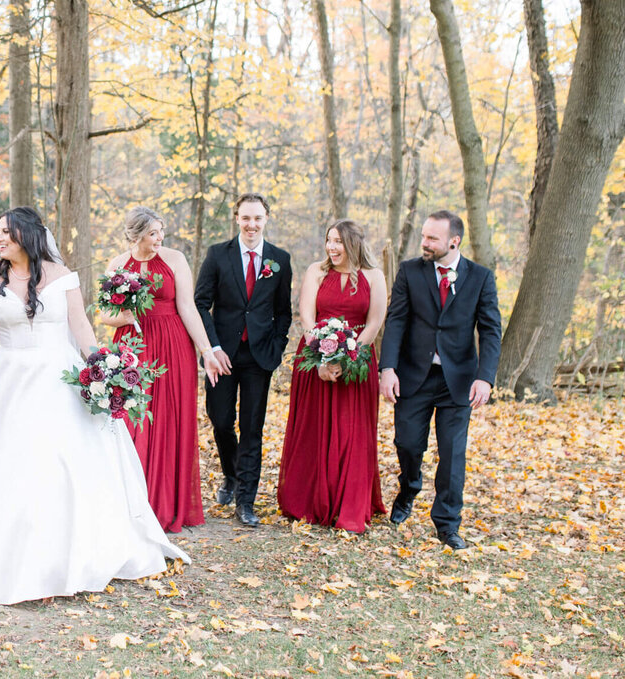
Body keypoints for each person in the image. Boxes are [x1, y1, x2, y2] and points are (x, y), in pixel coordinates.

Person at [0, 207, 190, 604]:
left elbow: (81, 328)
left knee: (64, 460)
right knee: (5, 462)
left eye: (6, 233)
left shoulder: (64, 279)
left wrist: (105, 368)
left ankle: (71, 547)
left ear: (27, 235)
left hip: (59, 378)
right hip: (7, 380)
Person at [379, 211, 501, 550]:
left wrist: (485, 378)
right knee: (407, 444)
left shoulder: (480, 278)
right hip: (413, 376)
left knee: (451, 454)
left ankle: (448, 524)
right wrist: (387, 368)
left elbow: (490, 331)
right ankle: (410, 486)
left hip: (458, 381)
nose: (425, 243)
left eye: (432, 238)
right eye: (424, 236)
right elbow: (397, 321)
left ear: (453, 241)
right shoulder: (410, 271)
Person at [101, 206, 221, 533]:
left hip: (172, 346)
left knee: (167, 419)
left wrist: (206, 351)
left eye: (161, 232)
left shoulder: (175, 259)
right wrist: (123, 318)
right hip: (132, 346)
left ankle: (165, 502)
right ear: (136, 235)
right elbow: (103, 313)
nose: (159, 239)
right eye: (153, 233)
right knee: (130, 420)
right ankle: (130, 503)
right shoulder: (116, 265)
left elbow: (187, 307)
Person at [277, 220, 387, 533]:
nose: (332, 247)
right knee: (313, 429)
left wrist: (347, 356)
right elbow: (307, 316)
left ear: (353, 244)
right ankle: (309, 502)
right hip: (314, 360)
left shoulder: (374, 276)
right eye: (329, 240)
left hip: (356, 364)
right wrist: (322, 357)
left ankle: (347, 505)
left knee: (351, 431)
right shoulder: (316, 271)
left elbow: (374, 322)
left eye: (338, 241)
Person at [194, 192, 293, 527]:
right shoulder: (217, 255)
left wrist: (277, 347)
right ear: (237, 218)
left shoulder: (280, 260)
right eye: (246, 218)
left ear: (267, 219)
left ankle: (246, 501)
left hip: (259, 357)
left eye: (258, 218)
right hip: (222, 354)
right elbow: (200, 303)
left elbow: (283, 312)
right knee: (220, 419)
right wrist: (213, 348)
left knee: (252, 427)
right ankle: (231, 475)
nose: (252, 225)